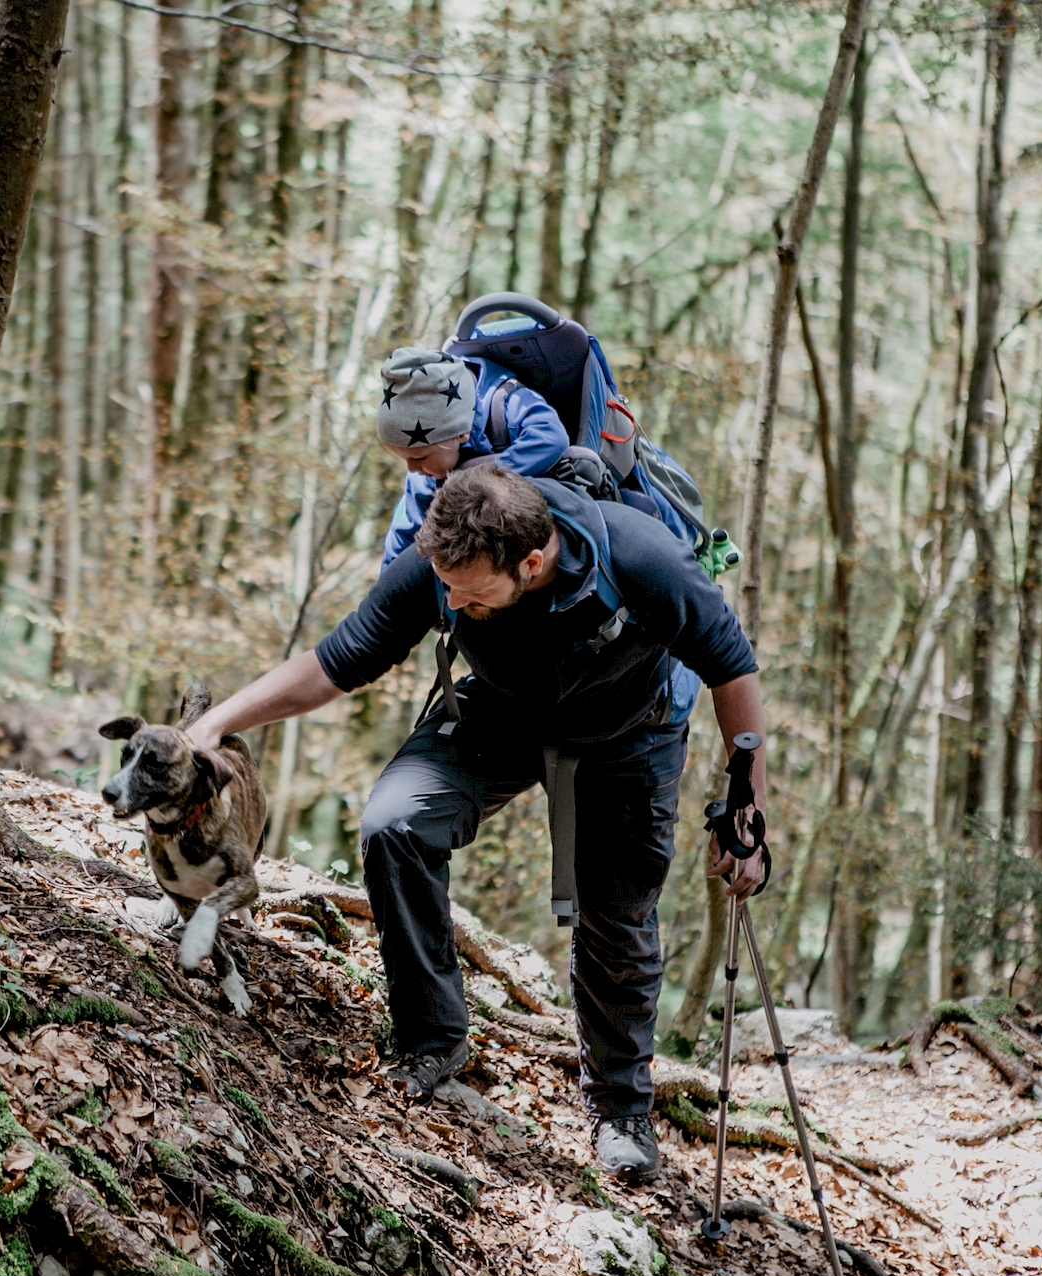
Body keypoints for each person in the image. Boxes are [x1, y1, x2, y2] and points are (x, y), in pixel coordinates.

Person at [187, 466, 768, 1184]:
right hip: (499, 715)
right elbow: (335, 662)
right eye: (446, 586)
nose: (452, 600)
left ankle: (621, 1108)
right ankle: (432, 1039)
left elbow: (734, 672)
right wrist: (214, 723)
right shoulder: (442, 566)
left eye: (469, 591)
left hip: (630, 735)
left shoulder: (643, 558)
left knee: (615, 919)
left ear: (532, 562)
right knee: (395, 825)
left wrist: (746, 809)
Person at [374, 346, 569, 569]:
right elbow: (404, 537)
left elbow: (551, 437)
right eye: (404, 458)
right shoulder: (425, 470)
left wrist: (482, 478)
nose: (411, 468)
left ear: (461, 433)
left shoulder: (506, 401)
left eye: (419, 457)